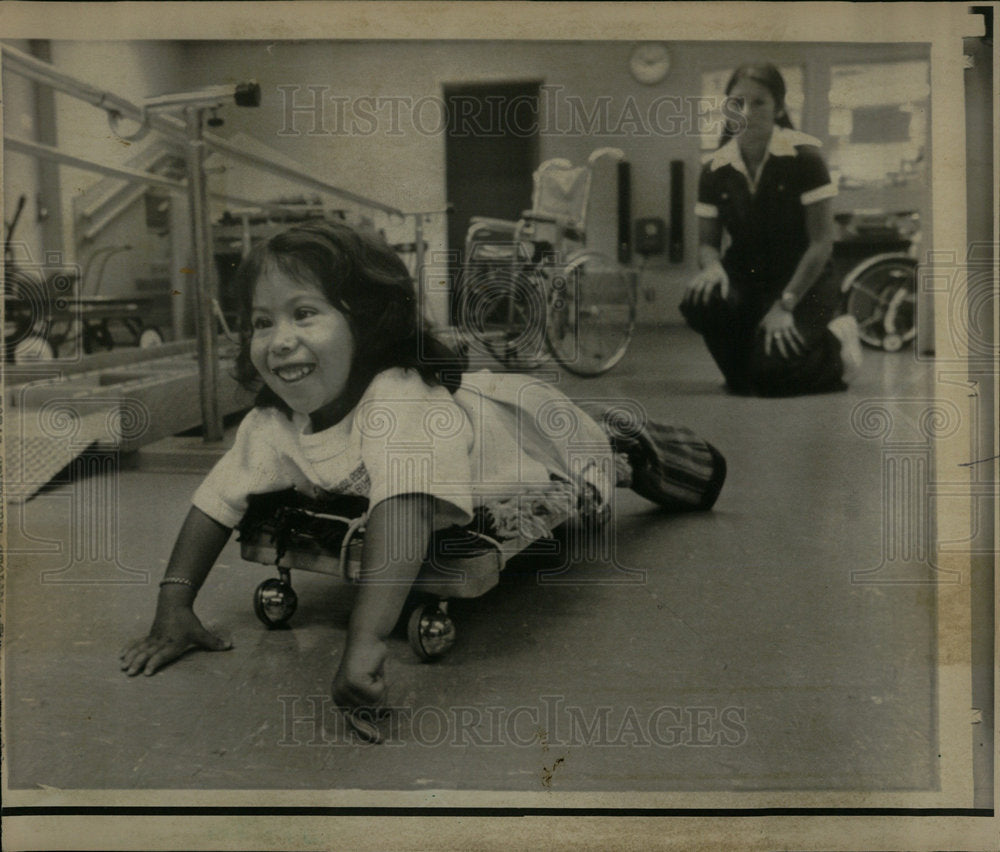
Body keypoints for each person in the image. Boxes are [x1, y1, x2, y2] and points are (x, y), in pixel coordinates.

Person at [119, 221, 726, 721]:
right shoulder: (276, 422)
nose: (278, 341)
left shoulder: (397, 400)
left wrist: (366, 639)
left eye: (304, 314)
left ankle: (631, 435)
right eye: (261, 322)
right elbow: (217, 499)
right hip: (474, 418)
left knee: (604, 452)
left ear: (369, 322)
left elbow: (404, 509)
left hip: (518, 435)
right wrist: (175, 604)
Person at [680, 62, 863, 397]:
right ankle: (747, 371)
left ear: (778, 107)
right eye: (737, 103)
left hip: (806, 283)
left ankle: (838, 343)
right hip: (750, 278)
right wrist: (712, 267)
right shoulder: (714, 169)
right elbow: (707, 244)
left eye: (759, 102)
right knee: (700, 301)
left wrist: (785, 304)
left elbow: (822, 243)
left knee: (770, 376)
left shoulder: (805, 158)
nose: (746, 112)